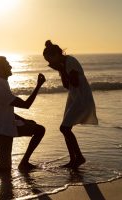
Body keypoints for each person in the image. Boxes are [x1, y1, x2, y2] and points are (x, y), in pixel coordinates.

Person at [43, 40, 98, 168]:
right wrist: (61, 70)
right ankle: (74, 159)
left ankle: (78, 157)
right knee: (66, 128)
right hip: (74, 96)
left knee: (64, 128)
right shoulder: (63, 64)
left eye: (49, 59)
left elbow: (75, 82)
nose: (49, 63)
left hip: (81, 97)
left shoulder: (70, 61)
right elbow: (66, 85)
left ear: (56, 54)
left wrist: (62, 69)